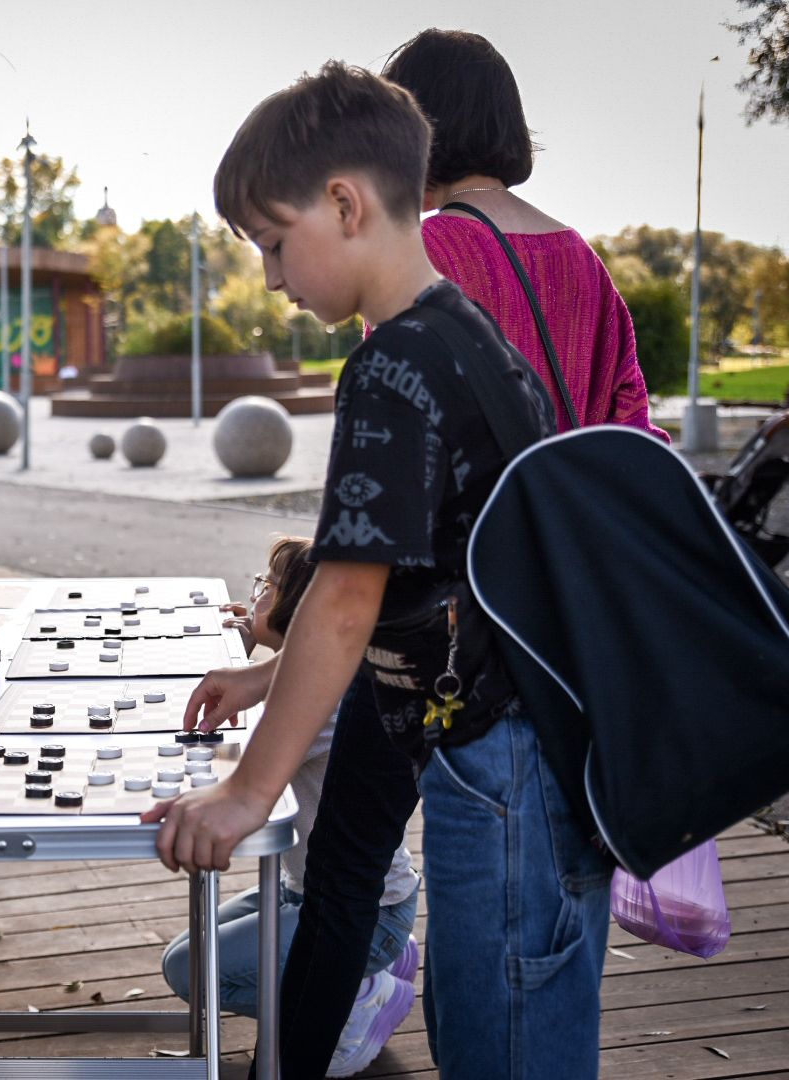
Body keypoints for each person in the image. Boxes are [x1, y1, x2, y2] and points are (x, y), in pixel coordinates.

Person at [144, 62, 611, 1080]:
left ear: (345, 204)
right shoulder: (467, 336)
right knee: (479, 1010)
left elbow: (347, 596)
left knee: (500, 1043)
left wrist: (247, 791)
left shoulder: (393, 366)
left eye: (274, 243)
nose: (273, 277)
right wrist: (270, 680)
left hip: (505, 769)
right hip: (520, 753)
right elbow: (418, 576)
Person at [159, 537, 420, 1077]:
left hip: (367, 911)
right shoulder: (309, 677)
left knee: (192, 970)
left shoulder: (324, 700)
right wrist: (249, 647)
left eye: (269, 587)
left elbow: (246, 758)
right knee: (187, 953)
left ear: (307, 614)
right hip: (301, 886)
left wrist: (241, 656)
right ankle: (376, 967)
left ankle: (357, 997)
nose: (256, 593)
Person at [386, 28, 667, 438]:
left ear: (415, 131)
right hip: (574, 480)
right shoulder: (581, 255)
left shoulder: (420, 253)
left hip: (476, 485)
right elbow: (631, 419)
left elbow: (392, 420)